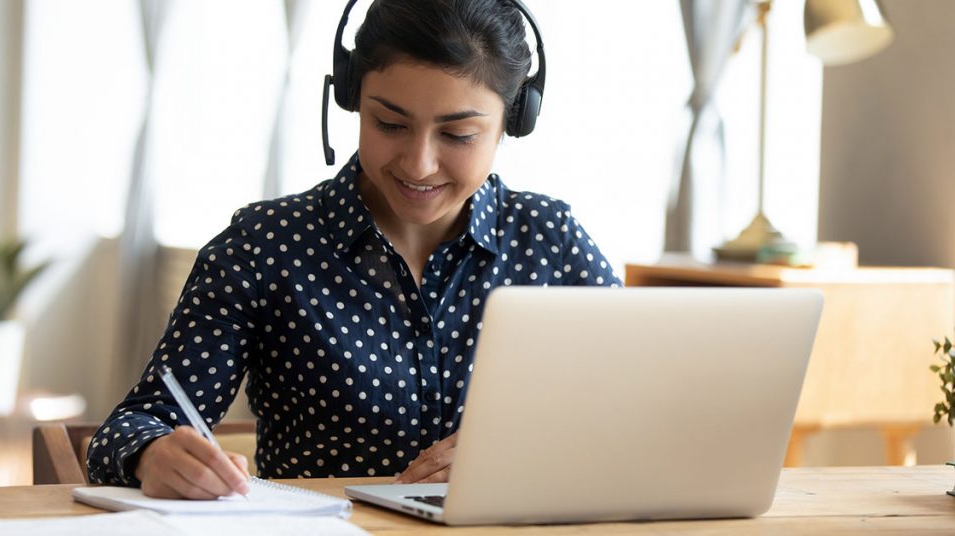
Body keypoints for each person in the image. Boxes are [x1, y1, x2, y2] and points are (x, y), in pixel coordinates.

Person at [87, 0, 622, 500]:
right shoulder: (264, 247)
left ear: (513, 122)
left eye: (457, 135)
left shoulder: (550, 242)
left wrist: (524, 456)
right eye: (389, 124)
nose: (418, 164)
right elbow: (132, 425)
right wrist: (151, 454)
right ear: (350, 99)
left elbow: (644, 411)